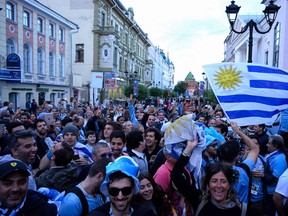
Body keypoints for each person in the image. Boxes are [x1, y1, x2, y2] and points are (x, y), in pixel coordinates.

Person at [88, 156, 157, 216]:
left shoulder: (145, 213)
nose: (120, 196)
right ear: (107, 189)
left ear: (133, 189)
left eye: (126, 191)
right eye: (114, 191)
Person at [265, 135, 287, 216]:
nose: (267, 145)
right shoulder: (274, 156)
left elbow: (274, 179)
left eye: (269, 143)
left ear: (276, 146)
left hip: (273, 193)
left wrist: (263, 174)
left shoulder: (279, 159)